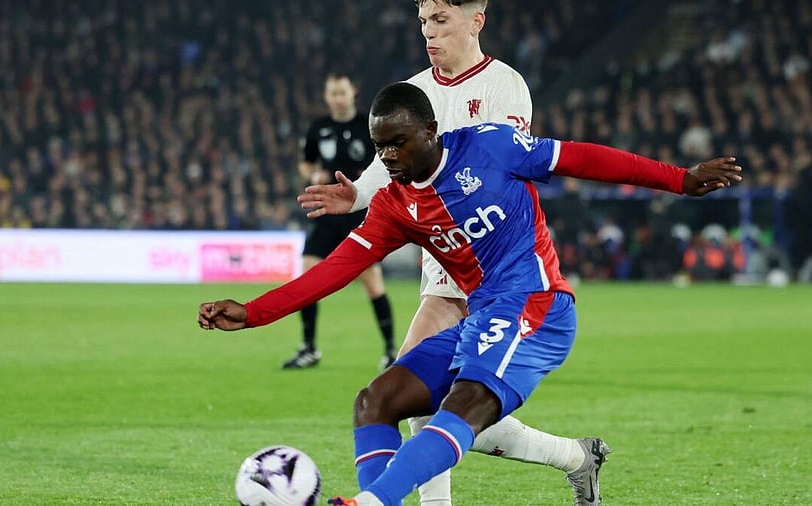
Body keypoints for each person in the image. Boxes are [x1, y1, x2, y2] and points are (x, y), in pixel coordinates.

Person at [198, 82, 744, 505]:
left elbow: (584, 158)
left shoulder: (493, 147)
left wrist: (680, 178)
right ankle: (569, 459)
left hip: (538, 306)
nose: (387, 157)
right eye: (379, 146)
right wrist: (253, 313)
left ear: (430, 130)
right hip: (482, 317)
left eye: (398, 143)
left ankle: (370, 500)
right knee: (375, 402)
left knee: (464, 407)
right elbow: (335, 269)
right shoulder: (394, 205)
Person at [296, 2, 606, 504]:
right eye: (423, 22)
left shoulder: (504, 85)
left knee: (439, 406)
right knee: (415, 402)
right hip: (442, 270)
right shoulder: (414, 92)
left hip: (496, 267)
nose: (428, 32)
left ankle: (573, 457)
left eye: (440, 20)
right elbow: (391, 167)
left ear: (475, 21)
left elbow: (498, 161)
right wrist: (355, 194)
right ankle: (574, 457)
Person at [284, 72, 397, 370]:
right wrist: (311, 175)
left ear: (353, 93)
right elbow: (306, 162)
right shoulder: (318, 128)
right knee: (306, 276)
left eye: (342, 92)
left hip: (360, 213)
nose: (337, 98)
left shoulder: (367, 126)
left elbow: (386, 159)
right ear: (326, 95)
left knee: (372, 283)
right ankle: (308, 347)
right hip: (327, 212)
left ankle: (390, 351)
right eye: (332, 93)